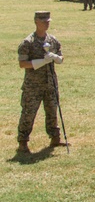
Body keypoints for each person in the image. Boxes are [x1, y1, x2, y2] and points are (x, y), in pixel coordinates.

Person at [16, 11, 65, 154]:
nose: (47, 23)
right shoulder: (28, 42)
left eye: (48, 21)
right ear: (36, 22)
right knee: (29, 112)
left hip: (50, 82)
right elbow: (23, 63)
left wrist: (55, 57)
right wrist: (42, 61)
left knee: (52, 111)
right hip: (33, 85)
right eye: (44, 21)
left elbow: (61, 58)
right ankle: (23, 141)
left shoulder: (53, 40)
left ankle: (55, 137)